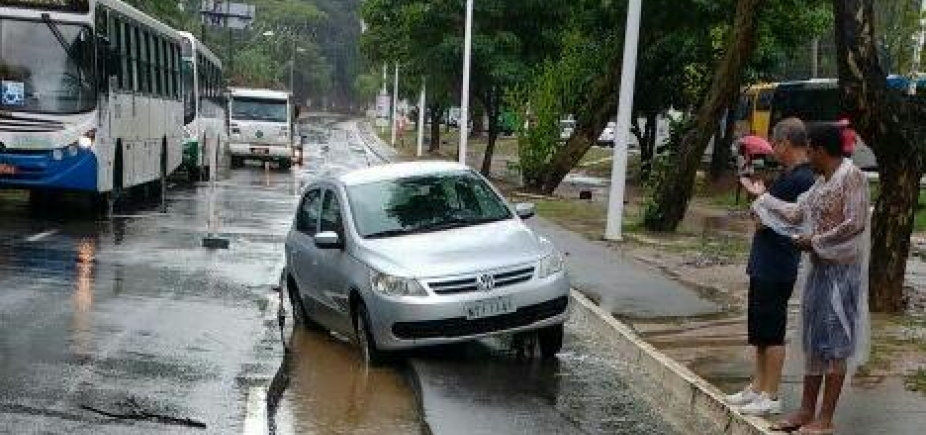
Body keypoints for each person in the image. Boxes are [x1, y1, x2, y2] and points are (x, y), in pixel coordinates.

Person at [744, 123, 871, 435]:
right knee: (814, 342)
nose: (808, 156)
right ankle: (805, 409)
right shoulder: (820, 182)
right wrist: (764, 200)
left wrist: (814, 241)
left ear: (822, 151)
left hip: (842, 275)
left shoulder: (851, 178)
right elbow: (797, 213)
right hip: (819, 271)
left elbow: (854, 225)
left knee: (835, 345)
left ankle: (825, 418)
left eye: (811, 150)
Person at [725, 118, 816, 416]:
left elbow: (779, 218)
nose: (773, 149)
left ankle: (772, 393)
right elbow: (762, 214)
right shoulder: (788, 175)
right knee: (760, 330)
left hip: (779, 261)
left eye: (775, 144)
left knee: (772, 330)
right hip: (765, 260)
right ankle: (758, 385)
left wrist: (759, 200)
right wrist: (761, 203)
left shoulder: (802, 179)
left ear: (786, 143)